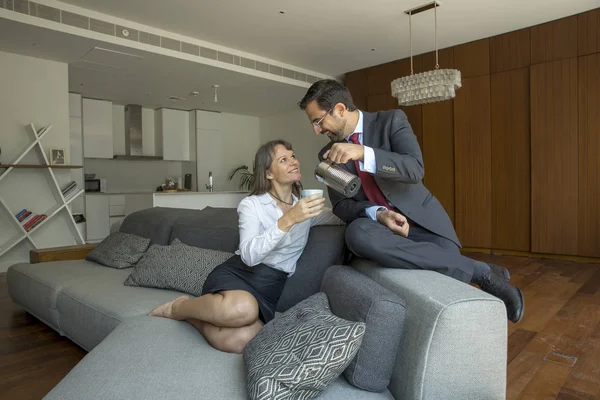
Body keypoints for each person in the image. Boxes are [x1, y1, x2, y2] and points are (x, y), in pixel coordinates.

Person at [298, 79, 524, 324]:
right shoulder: (327, 155)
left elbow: (414, 168)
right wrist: (378, 214)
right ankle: (483, 273)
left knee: (448, 271)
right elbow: (342, 206)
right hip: (379, 232)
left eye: (318, 121)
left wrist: (364, 152)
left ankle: (470, 269)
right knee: (357, 234)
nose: (316, 131)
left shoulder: (391, 121)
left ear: (340, 109)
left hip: (422, 224)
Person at [148, 139, 343, 353]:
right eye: (283, 159)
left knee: (242, 341)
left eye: (293, 156)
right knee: (243, 308)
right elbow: (250, 256)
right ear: (268, 173)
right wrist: (288, 220)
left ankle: (193, 318)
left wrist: (377, 213)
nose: (294, 162)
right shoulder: (252, 205)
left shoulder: (305, 207)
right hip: (242, 273)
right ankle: (178, 308)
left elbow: (341, 218)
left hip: (270, 284)